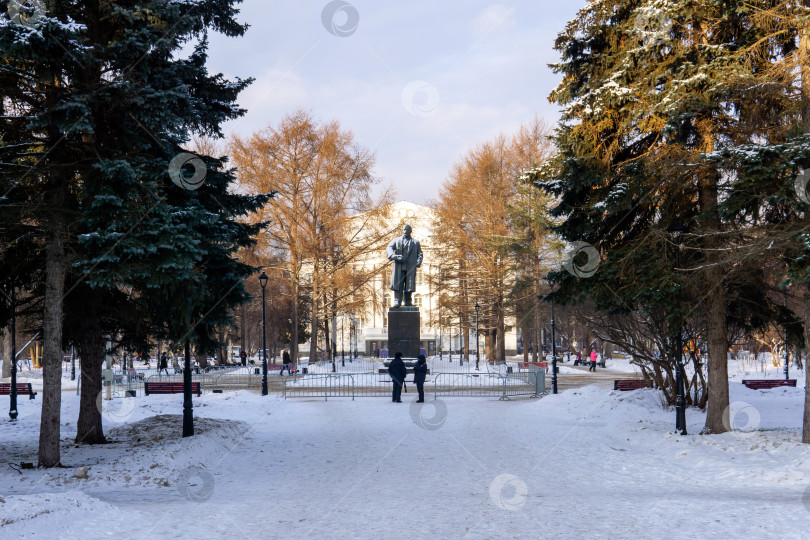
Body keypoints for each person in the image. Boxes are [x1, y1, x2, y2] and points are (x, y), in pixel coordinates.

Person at [386, 224, 424, 307]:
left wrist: (418, 261)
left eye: (407, 230)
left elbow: (420, 253)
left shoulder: (415, 242)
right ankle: (397, 301)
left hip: (410, 266)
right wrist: (394, 256)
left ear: (410, 231)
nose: (405, 231)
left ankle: (408, 301)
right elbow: (389, 247)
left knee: (409, 284)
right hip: (399, 266)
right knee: (398, 284)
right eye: (404, 229)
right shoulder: (397, 240)